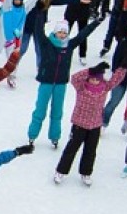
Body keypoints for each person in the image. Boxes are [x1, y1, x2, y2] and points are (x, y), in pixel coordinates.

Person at [29, 19, 103, 147]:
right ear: (55, 32)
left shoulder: (69, 45)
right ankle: (32, 135)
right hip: (46, 82)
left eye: (64, 33)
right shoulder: (46, 43)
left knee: (57, 111)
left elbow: (82, 35)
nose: (62, 35)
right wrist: (39, 12)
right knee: (40, 110)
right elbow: (38, 30)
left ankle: (55, 136)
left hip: (60, 84)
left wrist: (95, 23)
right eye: (60, 32)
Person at [54, 62, 127, 185]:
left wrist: (123, 67)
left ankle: (86, 173)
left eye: (97, 79)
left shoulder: (105, 88)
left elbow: (116, 80)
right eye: (92, 79)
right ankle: (61, 171)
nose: (94, 81)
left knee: (90, 151)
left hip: (95, 125)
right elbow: (74, 78)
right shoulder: (81, 87)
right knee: (71, 148)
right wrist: (90, 70)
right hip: (79, 124)